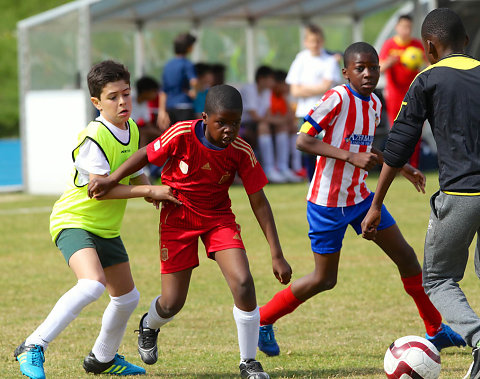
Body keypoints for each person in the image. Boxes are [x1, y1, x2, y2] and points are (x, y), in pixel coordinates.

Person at [256, 42, 465, 358]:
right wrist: (347, 156)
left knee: (407, 258)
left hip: (360, 198)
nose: (368, 73)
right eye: (360, 68)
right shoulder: (337, 98)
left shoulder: (375, 105)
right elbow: (303, 139)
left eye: (373, 67)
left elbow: (366, 147)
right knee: (324, 279)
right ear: (346, 72)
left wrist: (403, 166)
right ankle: (262, 319)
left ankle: (435, 330)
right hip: (326, 204)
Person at [87, 84, 293, 379]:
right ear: (205, 117)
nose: (228, 130)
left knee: (244, 283)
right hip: (177, 215)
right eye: (221, 122)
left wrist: (277, 254)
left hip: (218, 218)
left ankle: (248, 362)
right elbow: (145, 153)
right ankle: (150, 324)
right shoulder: (182, 132)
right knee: (172, 303)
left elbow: (259, 201)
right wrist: (111, 179)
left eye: (235, 123)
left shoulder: (241, 150)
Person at [13, 60, 181, 379]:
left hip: (105, 229)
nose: (122, 102)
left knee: (127, 297)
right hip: (74, 220)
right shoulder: (93, 137)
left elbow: (129, 169)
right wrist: (150, 189)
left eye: (126, 94)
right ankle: (33, 345)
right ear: (96, 103)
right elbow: (100, 191)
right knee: (91, 285)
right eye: (113, 97)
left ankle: (103, 358)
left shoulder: (131, 128)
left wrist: (146, 187)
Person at [361, 8, 480, 378]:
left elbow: (397, 147)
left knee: (438, 279)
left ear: (428, 47)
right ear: (465, 42)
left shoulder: (426, 79)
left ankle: (478, 339)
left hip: (461, 194)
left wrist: (376, 203)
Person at [286, 23, 341, 181]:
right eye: (311, 41)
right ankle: (311, 184)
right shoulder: (301, 58)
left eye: (317, 41)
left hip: (325, 112)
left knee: (325, 150)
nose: (315, 44)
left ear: (322, 41)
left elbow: (326, 87)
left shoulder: (329, 60)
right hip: (304, 112)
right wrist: (318, 88)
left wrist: (304, 87)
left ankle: (324, 182)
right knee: (306, 149)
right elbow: (294, 91)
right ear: (306, 42)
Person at [379, 15, 424, 168]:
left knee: (416, 129)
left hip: (414, 93)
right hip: (394, 94)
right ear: (397, 27)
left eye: (409, 27)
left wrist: (419, 62)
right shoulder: (389, 45)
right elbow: (380, 68)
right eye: (403, 26)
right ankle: (398, 165)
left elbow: (426, 63)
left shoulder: (416, 45)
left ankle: (414, 164)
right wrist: (389, 62)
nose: (406, 30)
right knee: (396, 130)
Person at [240, 66, 298, 183]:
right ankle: (268, 168)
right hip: (243, 125)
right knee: (264, 126)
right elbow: (254, 116)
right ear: (261, 79)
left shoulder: (267, 92)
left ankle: (283, 167)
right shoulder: (249, 89)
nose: (273, 82)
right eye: (271, 79)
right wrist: (279, 120)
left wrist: (280, 121)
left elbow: (267, 115)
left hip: (260, 122)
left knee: (282, 127)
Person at [158, 32, 198, 132]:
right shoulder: (187, 64)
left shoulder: (168, 65)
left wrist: (162, 111)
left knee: (173, 139)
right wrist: (194, 92)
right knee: (187, 140)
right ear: (188, 48)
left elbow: (163, 91)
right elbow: (194, 81)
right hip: (185, 107)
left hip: (170, 107)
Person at [270, 69, 303, 180]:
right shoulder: (271, 96)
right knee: (283, 127)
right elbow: (269, 116)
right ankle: (281, 167)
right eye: (286, 84)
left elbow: (289, 117)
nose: (288, 87)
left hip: (278, 126)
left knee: (293, 128)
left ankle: (296, 168)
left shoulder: (283, 97)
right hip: (269, 127)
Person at [131, 76, 163, 147]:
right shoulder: (128, 99)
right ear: (146, 91)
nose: (156, 94)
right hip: (123, 130)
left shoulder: (144, 103)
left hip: (132, 130)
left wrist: (163, 134)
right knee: (144, 134)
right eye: (154, 91)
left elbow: (148, 124)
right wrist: (163, 135)